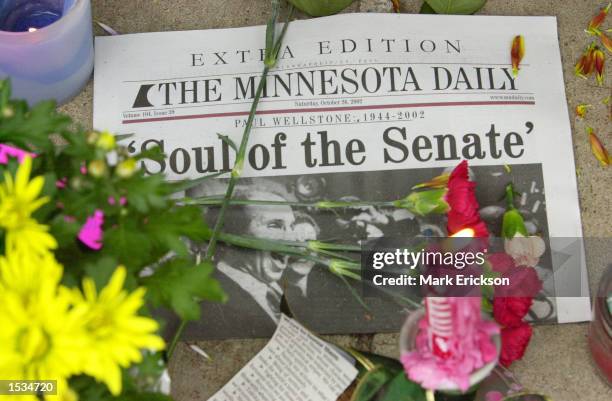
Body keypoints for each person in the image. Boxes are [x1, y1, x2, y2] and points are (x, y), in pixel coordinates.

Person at [184, 183, 297, 339]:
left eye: (292, 227)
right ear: (228, 236)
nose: (294, 240)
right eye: (274, 225)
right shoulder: (210, 303)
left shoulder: (278, 292)